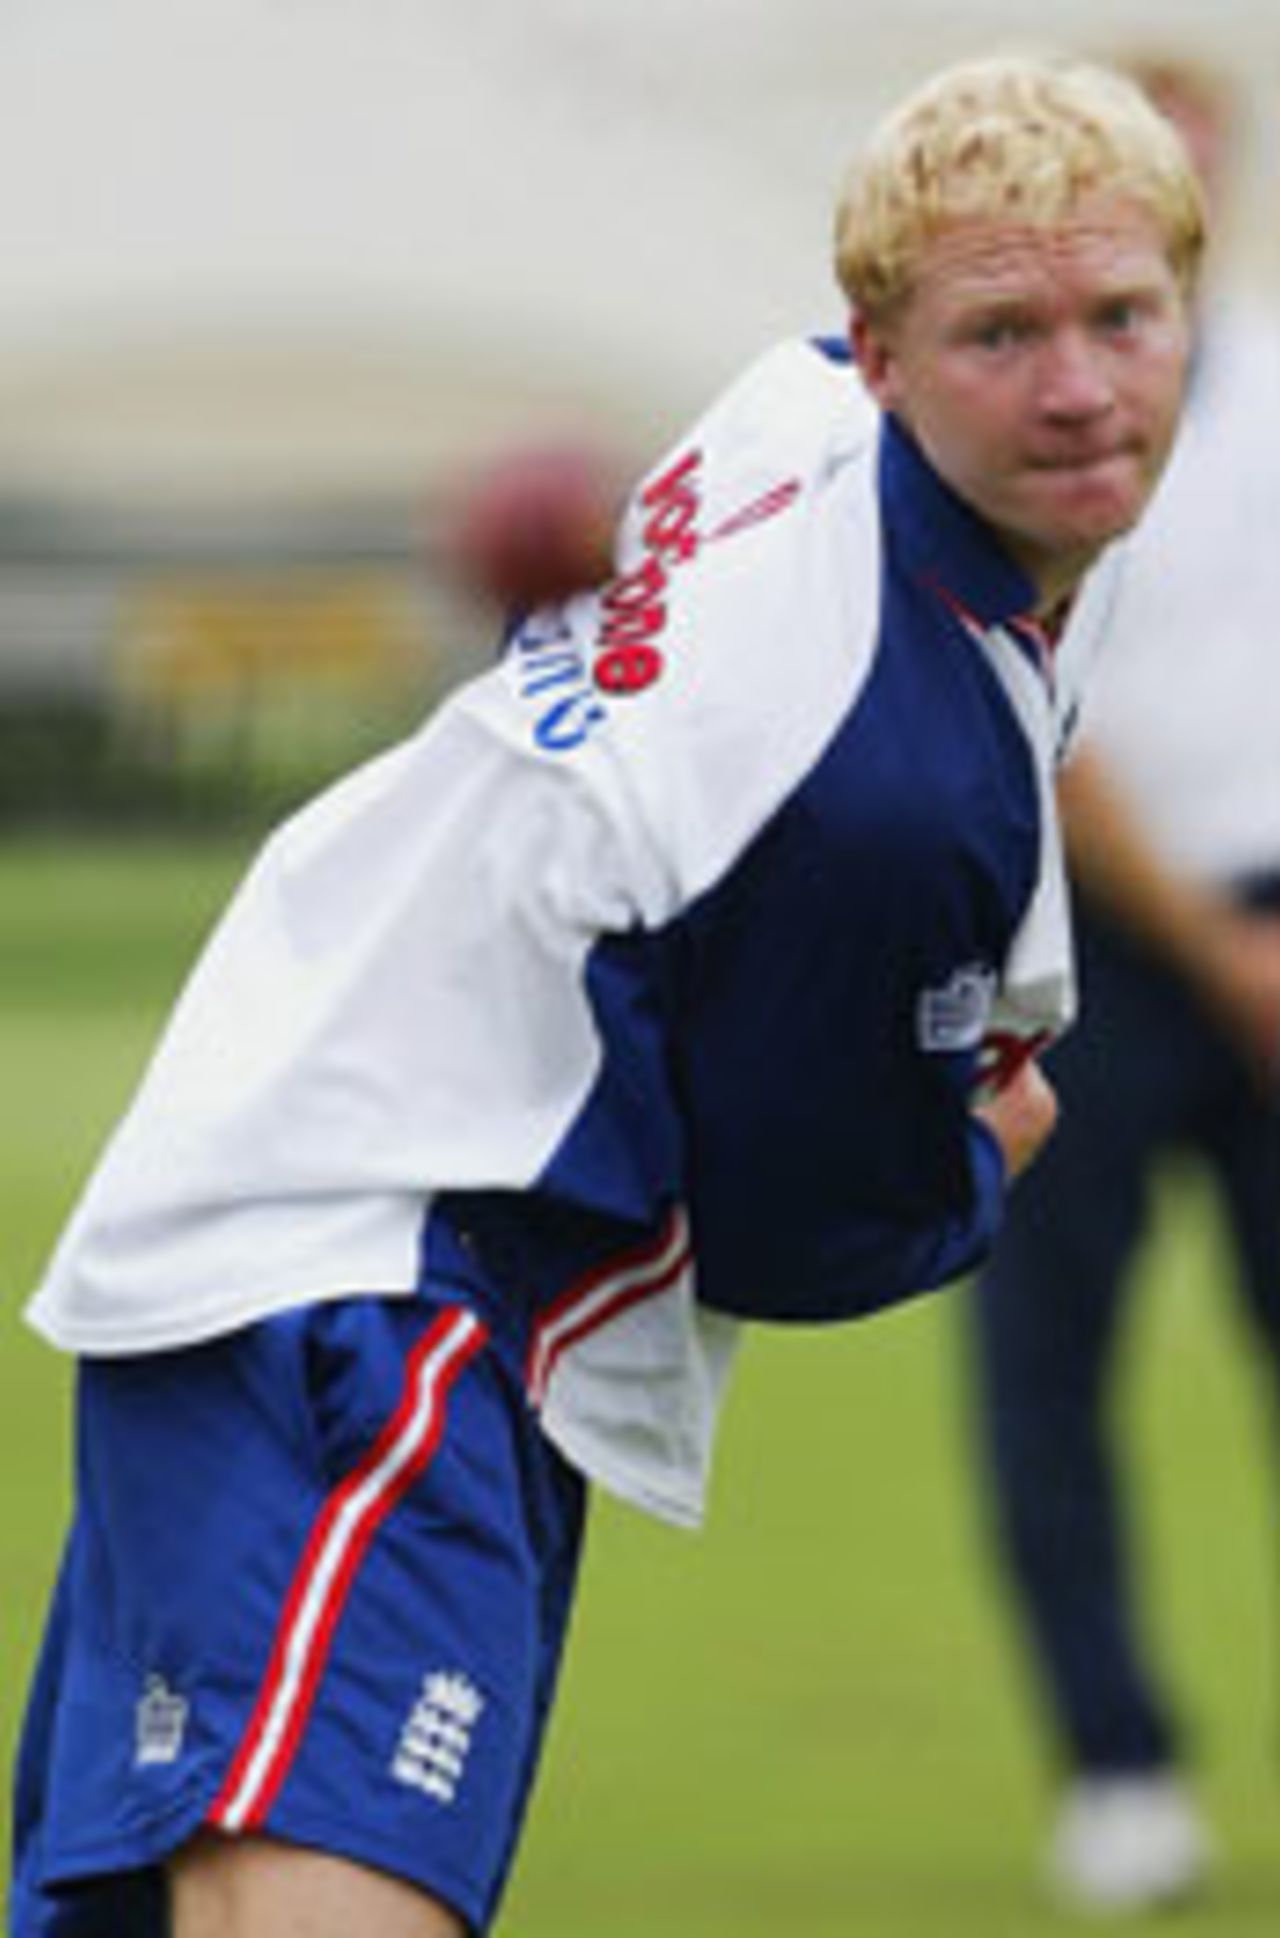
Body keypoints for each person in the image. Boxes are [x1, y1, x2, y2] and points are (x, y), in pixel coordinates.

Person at [10, 53, 1200, 1938]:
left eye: (1123, 316)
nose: (1076, 387)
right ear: (880, 351)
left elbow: (646, 583)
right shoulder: (894, 788)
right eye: (1003, 332)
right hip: (385, 1279)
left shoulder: (793, 411)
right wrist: (976, 1161)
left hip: (303, 1188)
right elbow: (797, 1230)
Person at [969, 54, 1280, 1916]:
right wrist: (1216, 945)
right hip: (1079, 942)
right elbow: (1036, 703)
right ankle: (1119, 1765)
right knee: (1044, 1384)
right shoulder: (1031, 415)